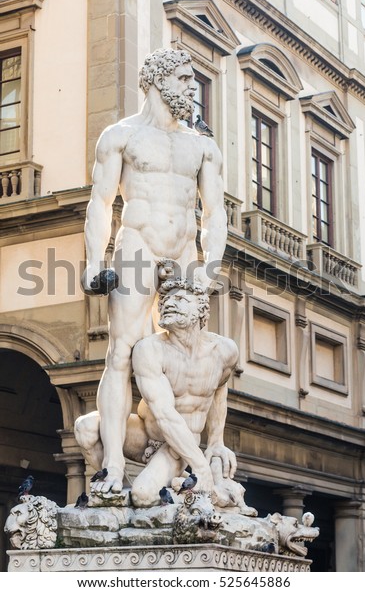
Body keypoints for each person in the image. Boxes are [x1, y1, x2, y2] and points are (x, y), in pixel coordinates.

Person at [80, 48, 228, 493]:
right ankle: (112, 465)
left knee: (190, 353)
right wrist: (94, 262)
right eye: (184, 78)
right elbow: (100, 203)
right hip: (138, 244)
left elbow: (215, 212)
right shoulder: (120, 136)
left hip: (184, 248)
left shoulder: (202, 145)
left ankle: (186, 457)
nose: (190, 87)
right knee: (121, 353)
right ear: (158, 80)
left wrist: (210, 264)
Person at [75, 279, 239, 506]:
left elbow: (219, 387)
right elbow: (163, 414)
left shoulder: (224, 351)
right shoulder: (150, 349)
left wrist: (215, 441)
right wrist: (201, 467)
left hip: (180, 444)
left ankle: (165, 491)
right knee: (85, 427)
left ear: (201, 308)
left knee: (144, 495)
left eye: (180, 299)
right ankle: (118, 494)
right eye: (166, 299)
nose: (169, 303)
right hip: (144, 433)